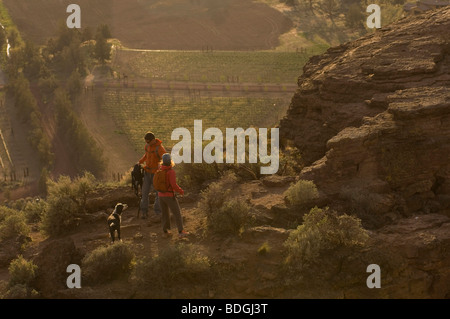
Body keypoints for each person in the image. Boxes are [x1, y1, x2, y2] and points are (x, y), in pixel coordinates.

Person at [158, 153, 189, 238]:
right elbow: (173, 185)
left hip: (160, 195)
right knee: (177, 213)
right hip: (169, 195)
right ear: (170, 161)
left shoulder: (160, 169)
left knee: (165, 214)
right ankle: (181, 231)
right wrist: (181, 191)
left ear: (163, 161)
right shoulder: (171, 172)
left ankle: (166, 232)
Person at [138, 131, 166, 220]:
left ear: (153, 140)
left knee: (158, 193)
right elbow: (146, 155)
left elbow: (165, 160)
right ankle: (144, 212)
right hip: (147, 173)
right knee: (144, 193)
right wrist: (140, 162)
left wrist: (161, 169)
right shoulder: (147, 146)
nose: (147, 144)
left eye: (148, 142)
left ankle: (158, 212)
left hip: (156, 174)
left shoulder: (160, 149)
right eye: (146, 142)